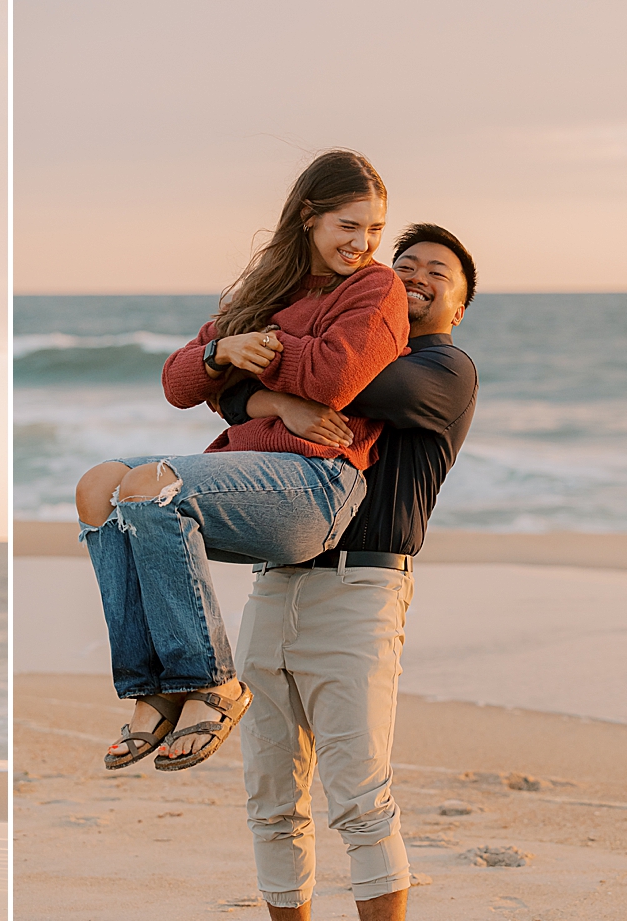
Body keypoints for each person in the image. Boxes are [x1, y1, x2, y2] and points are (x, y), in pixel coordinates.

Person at [74, 149, 410, 773]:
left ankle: (209, 681)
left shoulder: (375, 288)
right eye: (349, 227)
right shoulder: (264, 289)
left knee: (154, 487)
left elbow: (333, 377)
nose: (363, 243)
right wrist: (229, 353)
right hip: (251, 472)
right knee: (99, 487)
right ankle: (152, 689)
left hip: (317, 485)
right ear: (309, 217)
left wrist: (259, 361)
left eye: (373, 230)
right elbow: (179, 384)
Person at [216, 225, 478, 921]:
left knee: (360, 795)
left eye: (437, 272)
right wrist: (266, 394)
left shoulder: (446, 371)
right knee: (270, 797)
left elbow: (339, 379)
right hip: (276, 585)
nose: (416, 274)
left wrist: (256, 371)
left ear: (460, 304)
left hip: (361, 591)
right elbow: (227, 393)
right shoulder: (344, 344)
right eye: (405, 264)